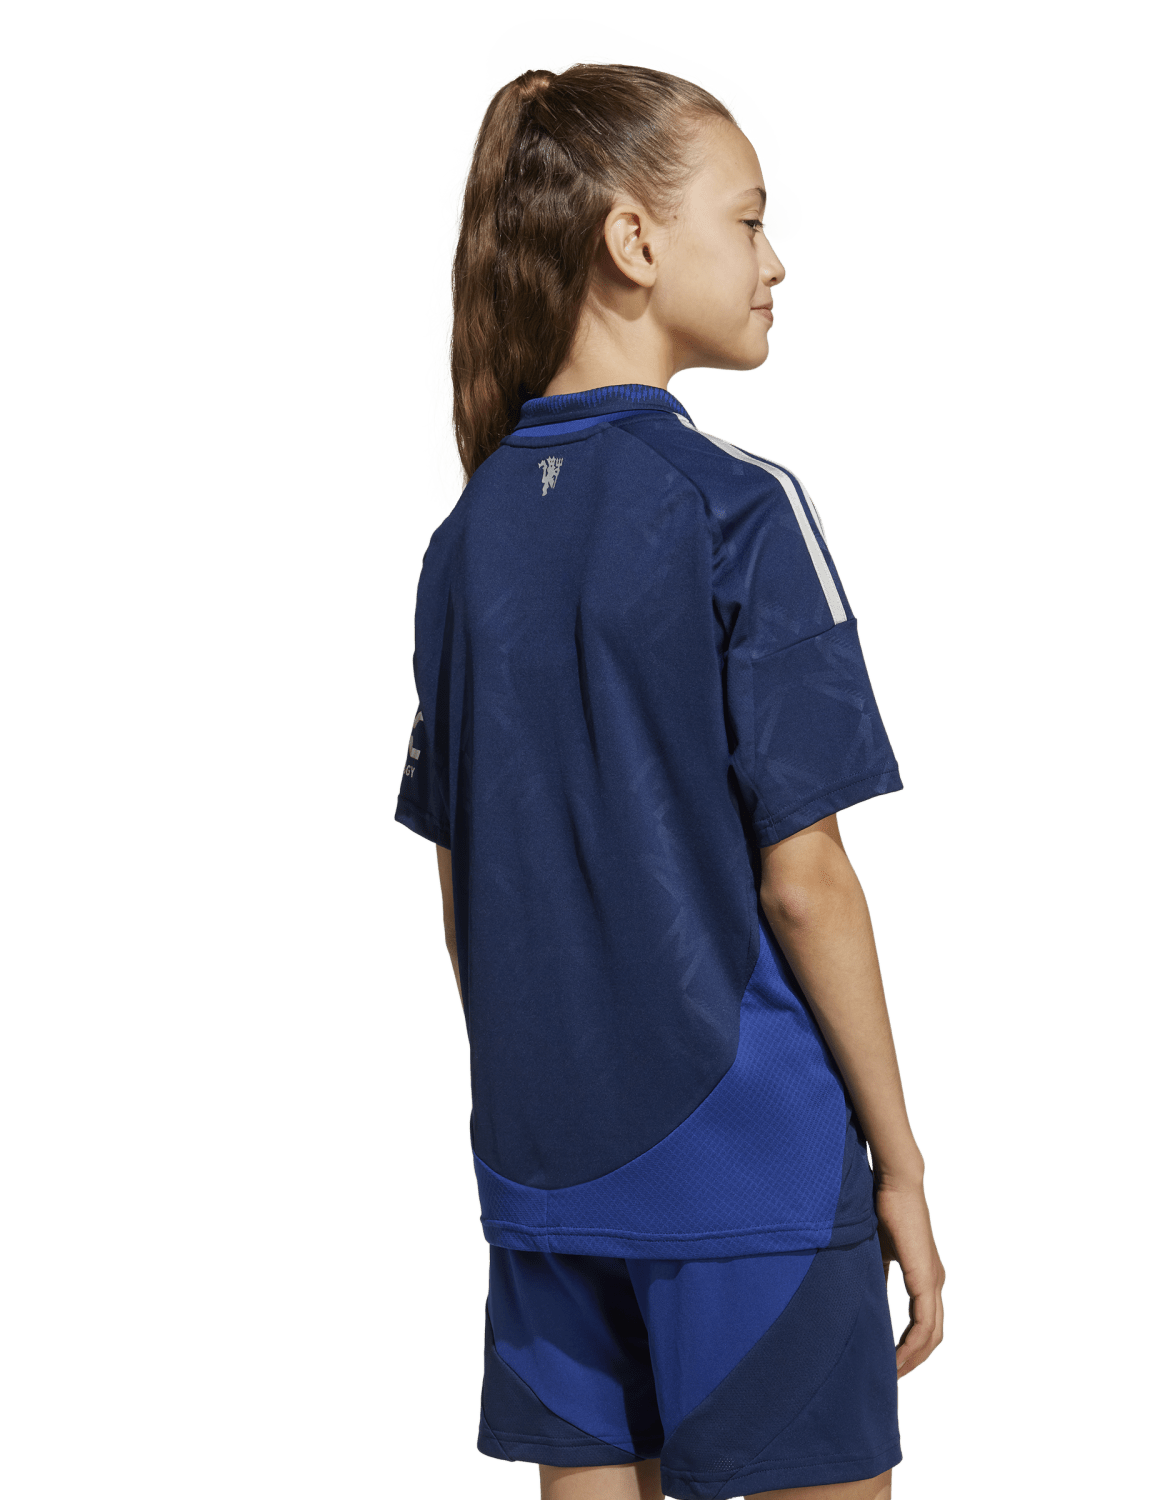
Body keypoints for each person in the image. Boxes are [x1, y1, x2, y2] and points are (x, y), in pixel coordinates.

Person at [393, 62, 946, 1500]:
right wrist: (901, 1166)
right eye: (751, 221)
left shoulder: (463, 546)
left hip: (543, 1175)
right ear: (635, 241)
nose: (774, 261)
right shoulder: (741, 509)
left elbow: (463, 884)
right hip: (750, 1171)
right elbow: (806, 878)